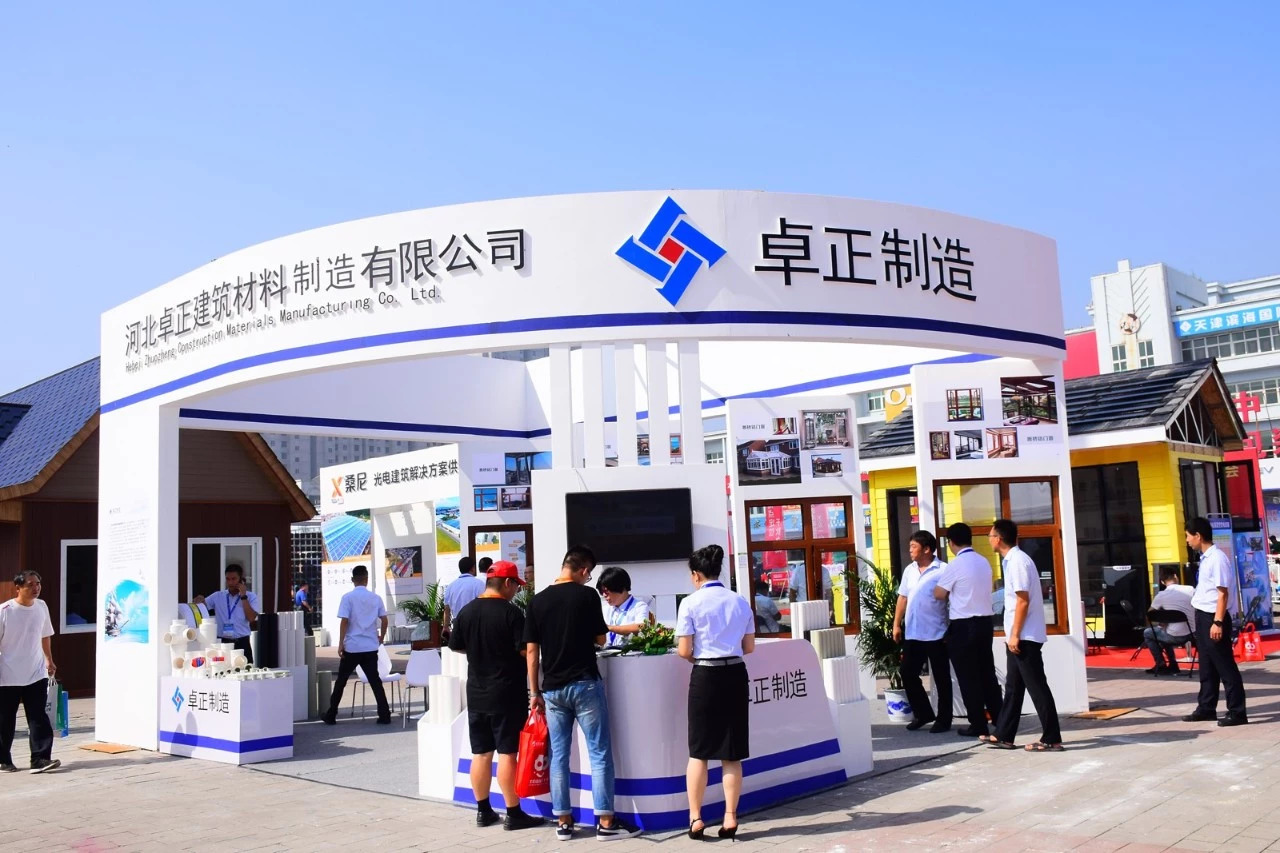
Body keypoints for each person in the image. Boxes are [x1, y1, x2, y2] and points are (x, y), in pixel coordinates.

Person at [525, 546, 640, 841]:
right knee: (599, 753)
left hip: (552, 689)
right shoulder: (587, 596)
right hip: (585, 682)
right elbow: (601, 638)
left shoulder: (537, 601)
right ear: (584, 570)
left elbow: (532, 652)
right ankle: (606, 822)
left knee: (559, 755)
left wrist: (534, 692)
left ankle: (563, 822)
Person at [448, 561, 544, 831]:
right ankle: (513, 812)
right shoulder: (511, 613)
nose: (516, 591)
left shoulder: (467, 612)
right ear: (507, 583)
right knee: (507, 754)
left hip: (477, 693)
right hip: (506, 693)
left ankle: (483, 811)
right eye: (516, 586)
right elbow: (526, 651)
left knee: (481, 753)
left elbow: (456, 646)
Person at [676, 545, 755, 841]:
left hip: (705, 675)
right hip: (735, 673)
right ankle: (730, 816)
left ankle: (696, 817)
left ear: (696, 574)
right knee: (731, 753)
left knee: (699, 751)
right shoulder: (739, 601)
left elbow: (684, 650)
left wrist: (698, 656)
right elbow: (749, 647)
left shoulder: (690, 603)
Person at [984, 519, 1063, 751]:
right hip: (1018, 635)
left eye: (990, 536)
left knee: (1037, 687)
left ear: (999, 538)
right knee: (1014, 688)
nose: (989, 539)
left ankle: (1051, 738)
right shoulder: (1012, 561)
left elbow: (1022, 601)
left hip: (1024, 637)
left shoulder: (1018, 561)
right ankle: (1004, 734)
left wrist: (1015, 635)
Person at [933, 523, 1002, 738]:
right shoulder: (983, 561)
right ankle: (1000, 719)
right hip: (985, 624)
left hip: (963, 626)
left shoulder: (955, 564)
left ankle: (978, 724)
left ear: (951, 542)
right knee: (987, 674)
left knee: (968, 677)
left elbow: (939, 593)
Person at [1182, 517, 1248, 726]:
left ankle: (1237, 712)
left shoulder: (1217, 558)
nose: (1187, 541)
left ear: (1198, 536)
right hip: (1202, 616)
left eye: (1188, 536)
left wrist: (1217, 622)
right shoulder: (1205, 558)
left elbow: (1223, 593)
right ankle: (1206, 708)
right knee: (1207, 666)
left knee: (1224, 665)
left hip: (1213, 617)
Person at [0, 571, 60, 773]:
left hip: (36, 672)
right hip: (7, 675)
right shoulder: (5, 611)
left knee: (38, 716)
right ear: (18, 588)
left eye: (38, 583)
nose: (36, 588)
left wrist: (49, 659)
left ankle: (40, 759)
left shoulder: (41, 607)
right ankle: (3, 760)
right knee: (5, 719)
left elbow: (45, 635)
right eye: (30, 584)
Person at [892, 530, 951, 733]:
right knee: (907, 673)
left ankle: (944, 720)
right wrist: (896, 624)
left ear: (926, 549)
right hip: (913, 633)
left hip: (937, 633)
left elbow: (952, 599)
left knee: (942, 678)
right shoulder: (910, 570)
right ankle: (923, 713)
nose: (910, 550)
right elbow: (903, 597)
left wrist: (951, 628)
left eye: (913, 546)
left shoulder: (943, 570)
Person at [322, 565, 392, 725]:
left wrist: (340, 643)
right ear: (366, 579)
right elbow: (384, 620)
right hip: (370, 647)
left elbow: (344, 621)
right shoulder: (376, 598)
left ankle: (331, 714)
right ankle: (384, 714)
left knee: (341, 681)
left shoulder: (347, 598)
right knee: (375, 681)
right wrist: (381, 637)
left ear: (353, 580)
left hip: (352, 647)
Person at [193, 564, 259, 664]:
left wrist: (243, 596)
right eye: (228, 579)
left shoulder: (251, 596)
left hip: (242, 642)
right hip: (222, 642)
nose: (230, 582)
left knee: (245, 670)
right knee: (221, 669)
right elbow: (201, 606)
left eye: (234, 579)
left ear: (241, 580)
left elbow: (251, 618)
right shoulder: (218, 596)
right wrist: (199, 600)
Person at [1144, 568, 1196, 675]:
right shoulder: (1190, 589)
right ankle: (1172, 665)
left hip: (1173, 636)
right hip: (1193, 634)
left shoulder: (1161, 596)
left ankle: (1161, 663)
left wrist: (1163, 620)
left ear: (1162, 582)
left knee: (1149, 633)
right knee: (1165, 631)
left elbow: (1149, 614)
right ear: (1176, 576)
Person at [596, 567, 650, 648]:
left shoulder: (639, 606)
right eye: (601, 592)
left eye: (606, 591)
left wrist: (609, 628)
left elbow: (641, 627)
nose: (604, 595)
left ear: (620, 588)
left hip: (630, 653)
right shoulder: (605, 609)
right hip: (607, 652)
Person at [443, 556, 486, 632]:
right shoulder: (479, 584)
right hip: (475, 625)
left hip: (457, 625)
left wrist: (445, 627)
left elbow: (447, 610)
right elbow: (484, 605)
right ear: (473, 568)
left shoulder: (451, 586)